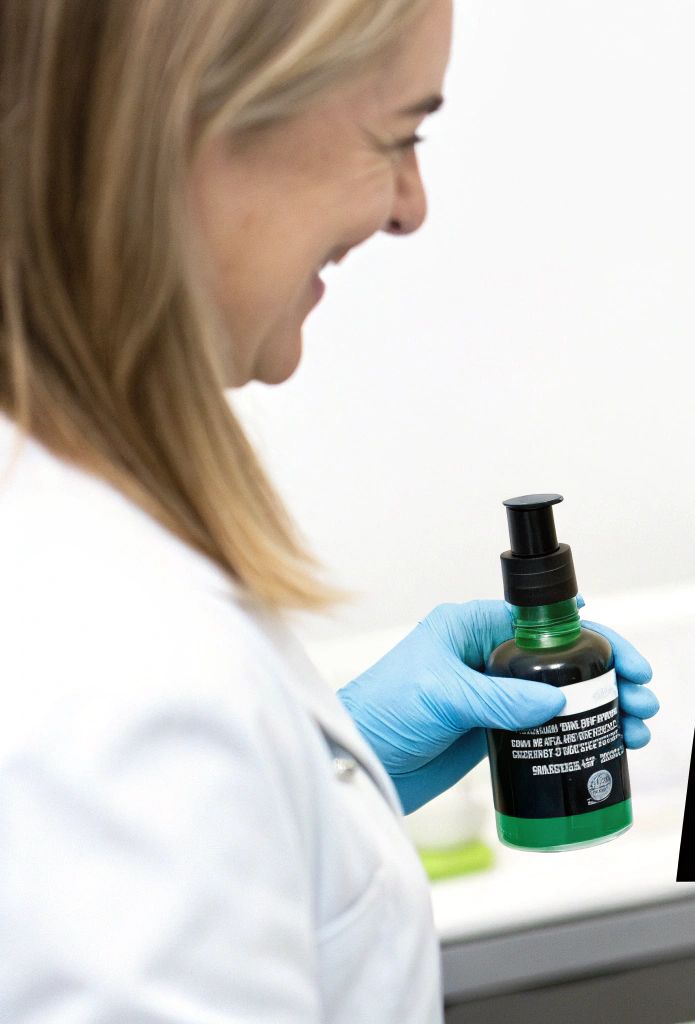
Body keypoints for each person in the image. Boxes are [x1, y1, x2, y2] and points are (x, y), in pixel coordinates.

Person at [0, 1, 657, 1020]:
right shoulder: (116, 661)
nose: (410, 206)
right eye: (397, 136)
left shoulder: (81, 544)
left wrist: (336, 768)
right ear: (198, 120)